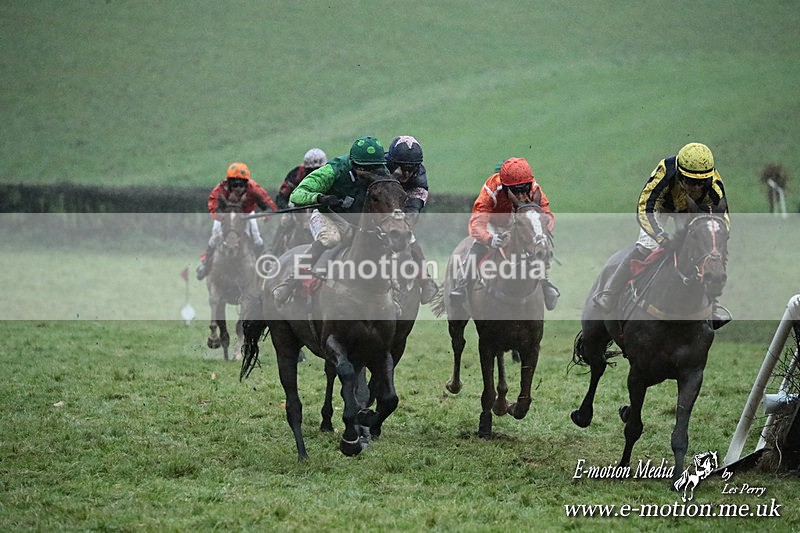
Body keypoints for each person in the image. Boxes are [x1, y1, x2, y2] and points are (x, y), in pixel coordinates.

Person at [593, 142, 730, 325]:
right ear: (680, 174)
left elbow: (721, 221)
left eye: (700, 183)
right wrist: (660, 236)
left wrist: (714, 245)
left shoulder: (714, 187)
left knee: (704, 252)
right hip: (660, 207)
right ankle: (610, 293)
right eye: (690, 182)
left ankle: (712, 307)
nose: (696, 187)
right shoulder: (665, 172)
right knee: (646, 246)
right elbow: (645, 207)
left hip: (692, 211)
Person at [271, 136, 389, 303]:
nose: (372, 175)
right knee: (331, 238)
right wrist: (319, 198)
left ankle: (396, 289)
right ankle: (290, 281)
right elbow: (296, 195)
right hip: (329, 215)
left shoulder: (384, 172)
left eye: (375, 168)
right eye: (366, 170)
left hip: (357, 222)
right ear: (354, 165)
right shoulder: (333, 170)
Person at [449, 157, 561, 310]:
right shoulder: (491, 189)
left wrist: (540, 233)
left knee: (536, 248)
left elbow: (546, 215)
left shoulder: (534, 188)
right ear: (505, 186)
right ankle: (462, 284)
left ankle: (545, 283)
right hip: (493, 224)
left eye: (524, 188)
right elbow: (477, 223)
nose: (521, 195)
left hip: (521, 223)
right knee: (479, 243)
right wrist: (489, 239)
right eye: (516, 190)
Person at [195, 162, 277, 280]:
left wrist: (264, 215)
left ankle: (264, 266)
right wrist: (222, 216)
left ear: (247, 183)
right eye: (235, 185)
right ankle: (206, 265)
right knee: (215, 235)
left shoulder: (254, 188)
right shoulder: (220, 188)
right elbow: (213, 205)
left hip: (246, 214)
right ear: (229, 183)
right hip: (225, 215)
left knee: (256, 236)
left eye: (242, 185)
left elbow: (269, 206)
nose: (238, 188)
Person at [385, 135, 438, 303]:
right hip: (380, 206)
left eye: (412, 168)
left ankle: (425, 280)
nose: (407, 173)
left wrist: (404, 227)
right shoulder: (380, 167)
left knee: (409, 238)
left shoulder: (420, 174)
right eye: (403, 168)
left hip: (403, 206)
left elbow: (415, 208)